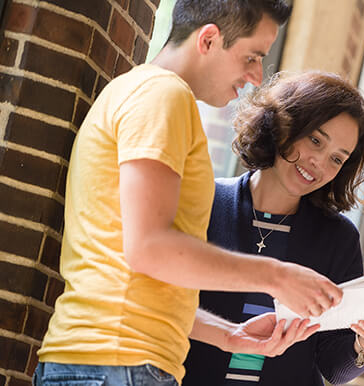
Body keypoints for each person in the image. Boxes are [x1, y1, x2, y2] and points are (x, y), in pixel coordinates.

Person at [35, 2, 344, 385]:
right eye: (251, 56)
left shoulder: (146, 94)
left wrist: (228, 335)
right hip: (118, 364)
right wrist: (276, 277)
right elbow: (150, 248)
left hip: (112, 362)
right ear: (209, 39)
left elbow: (134, 273)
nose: (255, 75)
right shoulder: (163, 97)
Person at [183, 71, 364, 386]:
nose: (319, 163)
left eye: (337, 159)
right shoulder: (205, 203)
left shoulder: (338, 239)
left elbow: (333, 368)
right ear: (286, 124)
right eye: (316, 140)